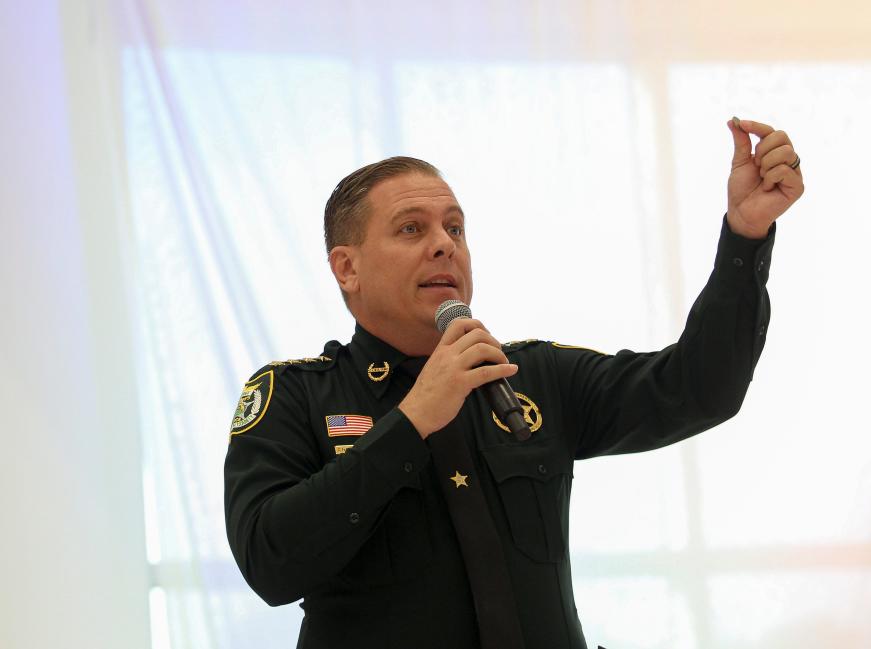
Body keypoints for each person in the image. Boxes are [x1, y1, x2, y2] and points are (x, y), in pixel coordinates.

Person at [224, 117, 804, 649]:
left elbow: (699, 388)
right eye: (410, 228)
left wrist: (745, 235)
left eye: (455, 228)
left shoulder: (530, 378)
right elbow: (271, 565)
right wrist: (412, 420)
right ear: (346, 267)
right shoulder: (294, 397)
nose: (444, 244)